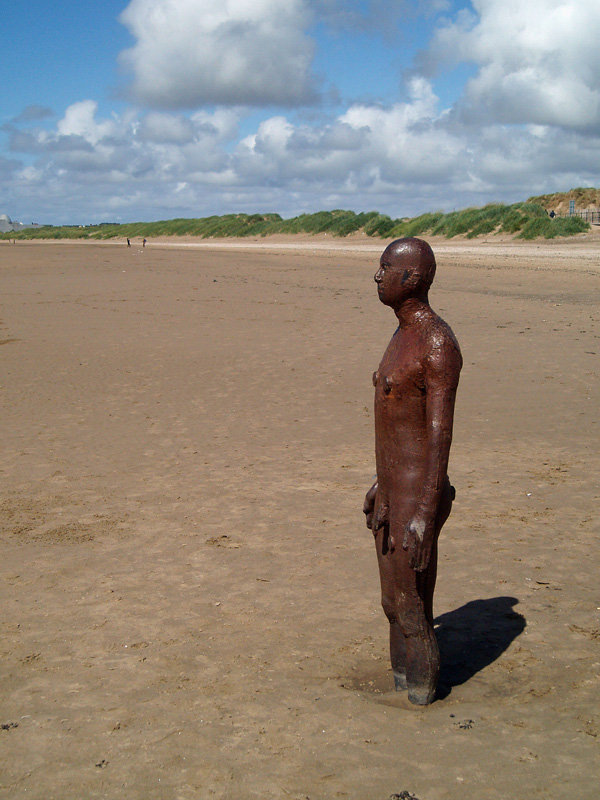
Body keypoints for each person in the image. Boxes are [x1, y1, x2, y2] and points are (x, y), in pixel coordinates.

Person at [363, 237, 462, 705]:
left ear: (413, 278)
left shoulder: (436, 343)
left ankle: (421, 698)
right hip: (391, 492)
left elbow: (440, 436)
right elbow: (395, 420)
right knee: (390, 604)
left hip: (418, 495)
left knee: (411, 604)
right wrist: (381, 483)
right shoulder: (400, 335)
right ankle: (401, 680)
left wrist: (425, 509)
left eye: (387, 268)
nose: (378, 276)